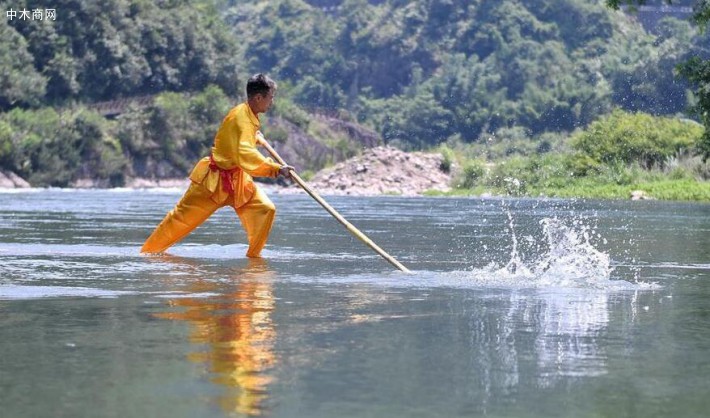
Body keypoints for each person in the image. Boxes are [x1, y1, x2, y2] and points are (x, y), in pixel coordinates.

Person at [141, 73, 292, 258]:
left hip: (237, 181)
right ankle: (148, 253)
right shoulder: (241, 118)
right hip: (213, 181)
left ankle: (254, 258)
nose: (272, 102)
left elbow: (237, 142)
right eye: (271, 97)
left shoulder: (248, 114)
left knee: (265, 209)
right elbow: (244, 153)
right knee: (180, 219)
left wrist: (255, 137)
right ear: (259, 97)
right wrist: (276, 169)